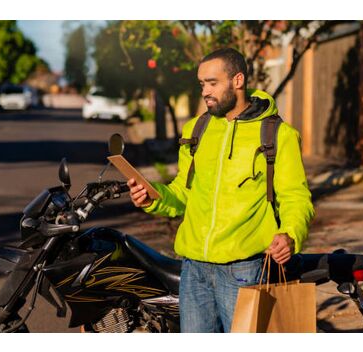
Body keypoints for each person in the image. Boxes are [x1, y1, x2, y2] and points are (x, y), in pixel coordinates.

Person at [128, 48, 314, 333]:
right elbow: (184, 193)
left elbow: (295, 196)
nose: (205, 91)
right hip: (194, 270)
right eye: (202, 84)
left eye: (213, 83)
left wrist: (290, 233)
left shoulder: (277, 135)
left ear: (237, 81)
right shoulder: (197, 130)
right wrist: (153, 196)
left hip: (243, 271)